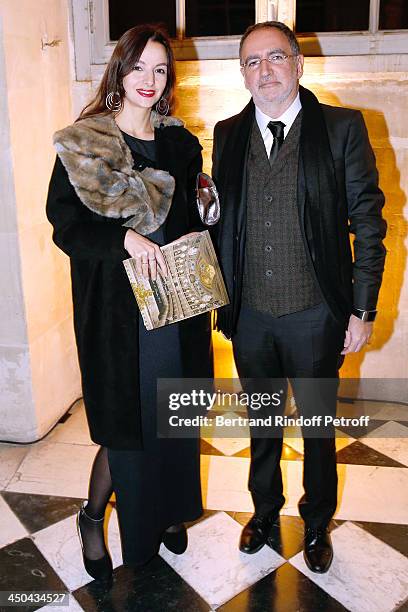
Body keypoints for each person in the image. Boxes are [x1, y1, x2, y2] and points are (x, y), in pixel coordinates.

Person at [212, 21, 386, 573]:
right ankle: (264, 512)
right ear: (242, 73)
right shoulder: (225, 132)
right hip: (253, 316)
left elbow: (370, 223)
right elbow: (219, 220)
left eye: (275, 58)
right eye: (251, 62)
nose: (264, 70)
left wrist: (361, 309)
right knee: (261, 424)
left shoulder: (340, 128)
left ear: (298, 64)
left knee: (316, 427)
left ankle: (316, 523)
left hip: (316, 315)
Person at [46, 24, 212, 581]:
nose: (149, 78)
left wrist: (210, 206)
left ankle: (163, 512)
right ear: (119, 70)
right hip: (119, 315)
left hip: (176, 308)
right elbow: (65, 227)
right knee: (126, 426)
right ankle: (95, 519)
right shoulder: (82, 143)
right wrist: (122, 239)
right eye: (139, 66)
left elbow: (190, 222)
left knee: (173, 420)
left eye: (160, 69)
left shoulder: (181, 145)